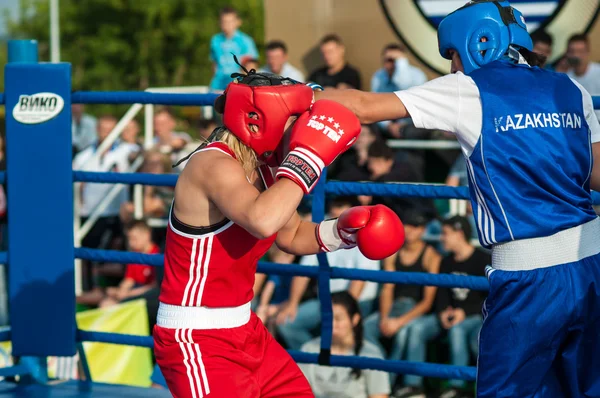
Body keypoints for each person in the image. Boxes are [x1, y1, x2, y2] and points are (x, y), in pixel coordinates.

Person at [315, 1, 600, 396]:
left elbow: (364, 106)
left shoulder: (468, 88)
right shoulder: (571, 89)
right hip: (590, 264)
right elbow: (597, 173)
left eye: (452, 55)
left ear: (477, 43)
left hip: (528, 279)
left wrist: (295, 92)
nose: (451, 67)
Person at [152, 70, 404, 398]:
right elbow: (263, 220)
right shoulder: (211, 165)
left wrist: (344, 231)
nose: (300, 127)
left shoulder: (267, 167)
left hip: (244, 327)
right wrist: (308, 158)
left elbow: (292, 233)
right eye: (293, 119)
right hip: (196, 337)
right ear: (259, 121)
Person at [276, 196, 382, 350]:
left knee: (354, 335)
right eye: (334, 204)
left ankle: (336, 359)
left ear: (354, 210)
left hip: (357, 302)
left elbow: (360, 279)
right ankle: (318, 358)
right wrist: (292, 303)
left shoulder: (365, 231)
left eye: (341, 205)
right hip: (326, 300)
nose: (335, 209)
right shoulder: (325, 226)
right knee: (287, 323)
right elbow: (305, 271)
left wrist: (346, 309)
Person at [363, 212, 441, 398]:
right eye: (407, 224)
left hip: (413, 309)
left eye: (415, 226)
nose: (409, 230)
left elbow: (427, 302)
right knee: (364, 328)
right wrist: (384, 318)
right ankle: (381, 368)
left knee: (404, 333)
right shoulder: (393, 250)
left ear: (423, 230)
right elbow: (387, 289)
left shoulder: (431, 255)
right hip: (392, 308)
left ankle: (392, 385)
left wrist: (398, 322)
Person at [299, 291, 391, 398]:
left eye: (338, 319)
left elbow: (379, 396)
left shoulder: (370, 353)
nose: (332, 324)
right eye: (327, 319)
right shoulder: (309, 349)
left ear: (354, 319)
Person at [437, 216, 489, 398]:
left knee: (462, 333)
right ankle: (412, 386)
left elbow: (492, 297)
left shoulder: (483, 259)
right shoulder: (446, 261)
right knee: (415, 329)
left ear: (459, 234)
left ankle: (457, 387)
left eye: (445, 233)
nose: (441, 238)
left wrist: (464, 312)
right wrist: (443, 311)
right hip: (452, 316)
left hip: (477, 316)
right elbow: (441, 292)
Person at [209, 7, 259, 92]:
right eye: (224, 21)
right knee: (208, 103)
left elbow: (251, 67)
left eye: (230, 21)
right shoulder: (215, 40)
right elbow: (214, 64)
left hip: (238, 84)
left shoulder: (246, 41)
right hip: (218, 85)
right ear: (220, 23)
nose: (227, 24)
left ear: (238, 22)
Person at [566, 33, 600, 119]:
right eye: (572, 51)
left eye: (580, 51)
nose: (576, 55)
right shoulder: (566, 78)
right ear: (567, 53)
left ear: (588, 52)